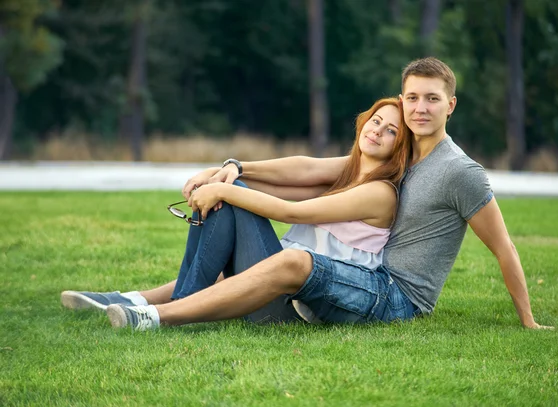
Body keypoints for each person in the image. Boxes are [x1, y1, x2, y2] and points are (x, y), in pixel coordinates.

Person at [67, 57, 552, 331]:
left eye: (431, 98)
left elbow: (503, 246)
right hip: (360, 279)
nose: (419, 107)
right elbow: (307, 169)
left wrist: (528, 321)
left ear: (451, 104)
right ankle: (127, 301)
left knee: (286, 255)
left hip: (397, 295)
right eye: (412, 98)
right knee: (243, 197)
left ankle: (153, 318)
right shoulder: (399, 159)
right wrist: (233, 169)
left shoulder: (458, 172)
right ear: (401, 100)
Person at [62, 96, 413, 326]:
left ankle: (169, 310)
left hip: (291, 307)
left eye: (391, 131)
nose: (378, 130)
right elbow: (300, 171)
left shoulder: (380, 193)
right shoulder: (346, 175)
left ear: (399, 147)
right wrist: (224, 173)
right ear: (364, 120)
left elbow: (288, 211)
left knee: (232, 197)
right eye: (376, 120)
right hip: (276, 290)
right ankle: (134, 300)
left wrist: (225, 186)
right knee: (231, 195)